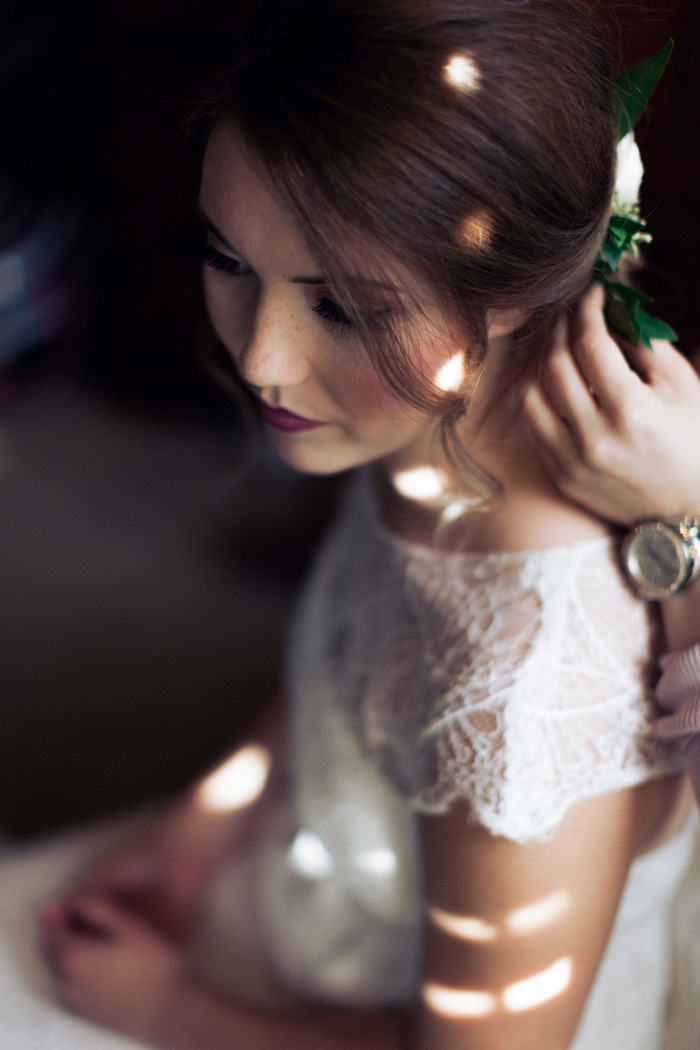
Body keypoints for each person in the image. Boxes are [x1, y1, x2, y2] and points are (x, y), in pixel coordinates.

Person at [5, 1, 694, 1048]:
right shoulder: (427, 429)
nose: (263, 360)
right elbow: (349, 657)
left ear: (506, 293)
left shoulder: (525, 688)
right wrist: (204, 825)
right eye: (228, 256)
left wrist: (165, 1009)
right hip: (294, 883)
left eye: (342, 308)